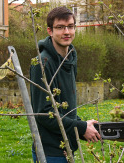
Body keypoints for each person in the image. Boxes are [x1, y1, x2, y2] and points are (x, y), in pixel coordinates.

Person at [30, 6, 100, 163]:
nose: (66, 32)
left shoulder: (70, 58)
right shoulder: (43, 64)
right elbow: (44, 114)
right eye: (60, 27)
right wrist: (81, 127)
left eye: (70, 26)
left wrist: (82, 125)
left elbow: (64, 107)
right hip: (50, 151)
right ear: (50, 31)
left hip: (67, 146)